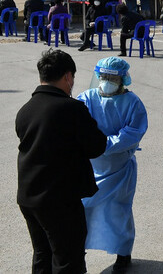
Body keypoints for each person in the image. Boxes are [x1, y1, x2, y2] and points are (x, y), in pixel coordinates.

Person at [16, 49, 107, 274]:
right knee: (68, 259)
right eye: (72, 78)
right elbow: (96, 147)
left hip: (29, 197)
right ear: (68, 76)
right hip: (59, 200)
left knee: (42, 254)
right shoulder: (71, 108)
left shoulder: (25, 110)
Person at [77, 57, 147, 272]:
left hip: (120, 169)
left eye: (112, 77)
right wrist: (95, 145)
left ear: (123, 78)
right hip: (91, 168)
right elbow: (77, 128)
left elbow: (132, 134)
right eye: (104, 76)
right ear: (98, 75)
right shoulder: (85, 98)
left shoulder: (133, 103)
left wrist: (100, 144)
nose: (107, 80)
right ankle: (79, 252)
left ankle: (123, 254)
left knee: (119, 214)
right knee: (83, 212)